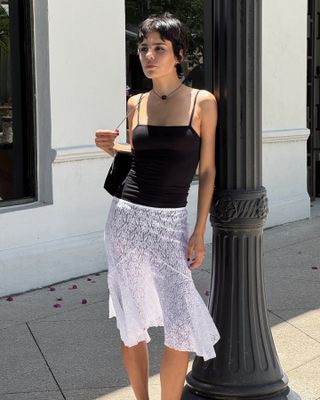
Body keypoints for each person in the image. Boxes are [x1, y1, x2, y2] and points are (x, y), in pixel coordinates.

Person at [95, 12, 220, 400]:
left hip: (170, 223)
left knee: (181, 323)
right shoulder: (135, 103)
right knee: (131, 323)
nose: (148, 55)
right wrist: (111, 148)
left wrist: (200, 230)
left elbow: (209, 169)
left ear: (178, 54)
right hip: (126, 220)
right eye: (143, 48)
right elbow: (140, 155)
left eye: (159, 49)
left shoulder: (203, 102)